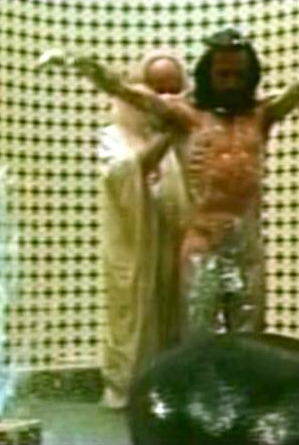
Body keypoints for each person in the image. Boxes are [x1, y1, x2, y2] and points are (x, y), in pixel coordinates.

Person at [39, 28, 299, 336]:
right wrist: (75, 60)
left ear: (250, 76)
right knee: (199, 343)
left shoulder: (263, 114)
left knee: (249, 343)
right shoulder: (188, 116)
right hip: (203, 247)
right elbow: (124, 90)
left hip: (247, 251)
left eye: (238, 75)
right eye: (222, 74)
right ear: (208, 75)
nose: (230, 83)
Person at [96, 50, 192, 409]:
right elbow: (121, 175)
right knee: (135, 316)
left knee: (178, 312)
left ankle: (172, 389)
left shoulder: (189, 132)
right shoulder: (115, 133)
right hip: (134, 248)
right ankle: (129, 389)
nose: (166, 98)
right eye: (157, 89)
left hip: (177, 242)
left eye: (174, 89)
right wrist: (167, 138)